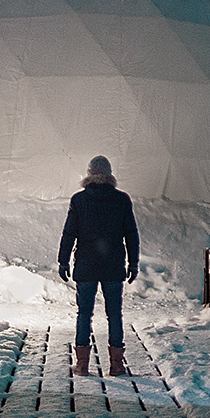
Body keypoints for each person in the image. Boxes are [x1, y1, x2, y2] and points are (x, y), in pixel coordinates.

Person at [58, 155, 139, 376]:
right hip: (113, 264)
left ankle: (82, 365)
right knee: (115, 314)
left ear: (89, 174)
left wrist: (63, 260)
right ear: (110, 174)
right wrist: (133, 263)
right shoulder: (122, 200)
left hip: (86, 264)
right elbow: (131, 234)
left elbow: (69, 233)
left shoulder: (79, 200)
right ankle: (117, 365)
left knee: (84, 314)